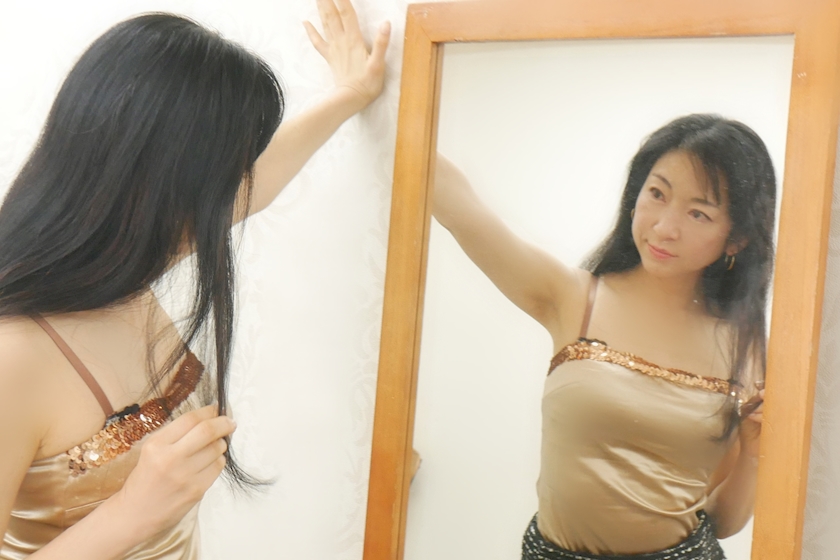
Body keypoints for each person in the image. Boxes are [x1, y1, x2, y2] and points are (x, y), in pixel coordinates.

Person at [0, 0, 390, 558]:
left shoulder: (128, 266)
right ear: (160, 180)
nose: (231, 198)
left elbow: (261, 183)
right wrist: (131, 513)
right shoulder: (13, 355)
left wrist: (350, 94)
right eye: (222, 176)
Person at [432, 114, 774, 560]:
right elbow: (452, 200)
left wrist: (754, 454)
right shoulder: (572, 297)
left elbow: (724, 521)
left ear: (736, 239)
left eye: (698, 213)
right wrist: (365, 96)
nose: (664, 227)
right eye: (657, 194)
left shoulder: (746, 350)